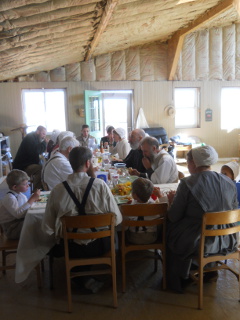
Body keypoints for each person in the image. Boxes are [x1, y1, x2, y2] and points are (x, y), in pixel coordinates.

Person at [42, 146, 122, 293]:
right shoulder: (100, 185)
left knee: (58, 242)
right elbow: (116, 219)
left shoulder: (58, 190)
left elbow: (47, 226)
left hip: (71, 247)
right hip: (100, 245)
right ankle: (84, 278)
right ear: (88, 163)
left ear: (70, 163)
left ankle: (80, 277)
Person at [166, 145, 238, 293]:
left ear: (193, 163)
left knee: (169, 228)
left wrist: (172, 201)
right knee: (205, 228)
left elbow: (174, 216)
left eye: (188, 161)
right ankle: (210, 270)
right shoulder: (229, 182)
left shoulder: (187, 183)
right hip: (228, 239)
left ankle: (180, 277)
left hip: (199, 242)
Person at [0, 170, 40, 239]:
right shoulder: (9, 198)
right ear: (15, 187)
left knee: (37, 220)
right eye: (25, 184)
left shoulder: (21, 195)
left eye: (27, 183)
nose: (28, 185)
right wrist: (31, 200)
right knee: (37, 224)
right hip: (11, 229)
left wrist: (33, 201)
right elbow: (18, 214)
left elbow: (25, 209)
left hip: (18, 223)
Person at [126, 178, 161, 245]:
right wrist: (160, 196)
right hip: (152, 238)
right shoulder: (156, 207)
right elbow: (165, 209)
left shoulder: (128, 208)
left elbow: (124, 227)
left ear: (135, 195)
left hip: (133, 238)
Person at [13, 125, 48, 190]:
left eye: (45, 134)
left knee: (42, 164)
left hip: (25, 163)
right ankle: (37, 190)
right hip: (22, 167)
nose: (44, 136)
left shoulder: (33, 137)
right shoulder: (30, 138)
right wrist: (44, 143)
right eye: (43, 134)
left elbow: (36, 151)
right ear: (38, 132)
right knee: (40, 168)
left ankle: (40, 188)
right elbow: (36, 151)